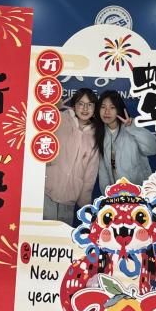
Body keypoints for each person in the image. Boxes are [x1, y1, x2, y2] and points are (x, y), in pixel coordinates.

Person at [44, 88, 100, 225]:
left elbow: (90, 174)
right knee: (42, 232)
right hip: (46, 191)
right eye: (81, 104)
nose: (85, 108)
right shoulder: (60, 119)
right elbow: (38, 132)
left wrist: (84, 204)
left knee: (62, 235)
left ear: (94, 109)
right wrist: (52, 109)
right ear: (74, 106)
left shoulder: (95, 135)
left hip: (70, 198)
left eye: (90, 105)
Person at [95, 90, 156, 193]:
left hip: (141, 192)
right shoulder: (101, 133)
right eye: (103, 107)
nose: (107, 112)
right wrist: (107, 194)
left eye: (112, 107)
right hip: (117, 195)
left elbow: (154, 148)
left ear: (119, 109)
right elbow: (104, 172)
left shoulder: (132, 127)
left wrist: (133, 128)